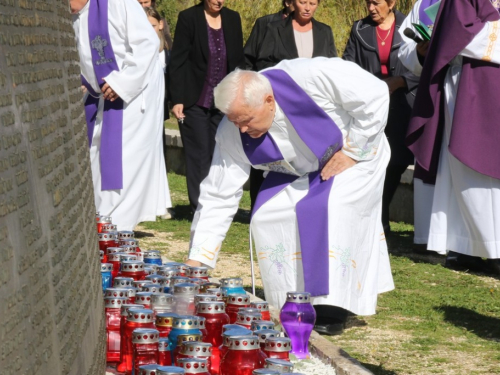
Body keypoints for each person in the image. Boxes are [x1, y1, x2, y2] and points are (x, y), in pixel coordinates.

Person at [185, 57, 395, 335]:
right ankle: (293, 296)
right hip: (298, 172)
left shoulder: (311, 76)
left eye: (246, 120)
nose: (243, 130)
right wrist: (197, 260)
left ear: (269, 100)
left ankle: (333, 305)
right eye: (235, 122)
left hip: (354, 155)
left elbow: (376, 93)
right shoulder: (233, 128)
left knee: (332, 207)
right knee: (266, 216)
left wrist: (354, 150)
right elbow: (219, 192)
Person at [402, 0, 500, 273]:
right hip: (472, 82)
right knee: (473, 165)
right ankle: (489, 248)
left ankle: (465, 247)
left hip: (490, 82)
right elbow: (459, 30)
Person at [71, 0, 170, 230]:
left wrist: (121, 83)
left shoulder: (117, 2)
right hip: (99, 100)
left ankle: (112, 232)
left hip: (130, 100)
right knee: (94, 164)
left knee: (118, 169)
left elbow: (147, 43)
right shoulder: (71, 16)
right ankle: (100, 228)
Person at [343, 0, 419, 236]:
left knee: (396, 162)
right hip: (370, 106)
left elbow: (422, 65)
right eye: (368, 3)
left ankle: (381, 211)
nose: (371, 8)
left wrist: (400, 82)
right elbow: (347, 65)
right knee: (370, 160)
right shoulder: (359, 29)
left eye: (376, 3)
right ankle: (378, 220)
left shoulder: (411, 26)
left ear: (392, 3)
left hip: (403, 104)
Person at [168, 0, 244, 214]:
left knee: (221, 153)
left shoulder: (232, 18)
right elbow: (179, 61)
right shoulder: (189, 18)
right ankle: (200, 207)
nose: (219, 1)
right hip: (195, 99)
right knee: (199, 154)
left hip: (223, 103)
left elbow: (237, 61)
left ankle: (218, 204)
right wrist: (178, 98)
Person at [397, 0, 439, 251]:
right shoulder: (425, 4)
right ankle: (430, 237)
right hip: (433, 92)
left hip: (473, 90)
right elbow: (404, 48)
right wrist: (420, 53)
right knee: (430, 157)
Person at [145, 6, 174, 219]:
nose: (149, 29)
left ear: (160, 25)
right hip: (144, 106)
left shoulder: (166, 49)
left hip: (158, 106)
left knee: (157, 151)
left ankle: (159, 201)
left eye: (153, 25)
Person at [256, 0, 337, 71]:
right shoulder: (274, 29)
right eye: (302, 3)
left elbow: (333, 65)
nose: (307, 8)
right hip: (285, 86)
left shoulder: (325, 31)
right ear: (293, 2)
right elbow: (263, 64)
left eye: (312, 4)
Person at [244, 0, 295, 71]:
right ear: (287, 3)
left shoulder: (314, 28)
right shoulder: (265, 23)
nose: (306, 7)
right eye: (301, 2)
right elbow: (248, 58)